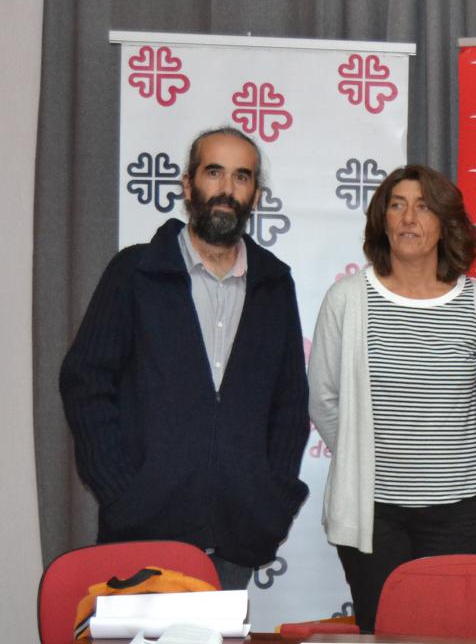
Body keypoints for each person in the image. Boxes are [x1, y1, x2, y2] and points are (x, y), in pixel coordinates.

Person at [60, 126, 309, 591]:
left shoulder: (275, 286)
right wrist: (122, 492)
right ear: (188, 184)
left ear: (255, 194)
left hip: (238, 534)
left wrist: (270, 495)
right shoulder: (134, 272)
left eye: (242, 177)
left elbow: (290, 404)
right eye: (214, 172)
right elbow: (84, 382)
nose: (227, 190)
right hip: (142, 531)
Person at [308, 165, 476, 632]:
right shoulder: (348, 299)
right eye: (396, 205)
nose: (408, 217)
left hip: (458, 512)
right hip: (374, 515)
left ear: (445, 222)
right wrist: (366, 460)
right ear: (382, 219)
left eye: (423, 206)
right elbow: (323, 399)